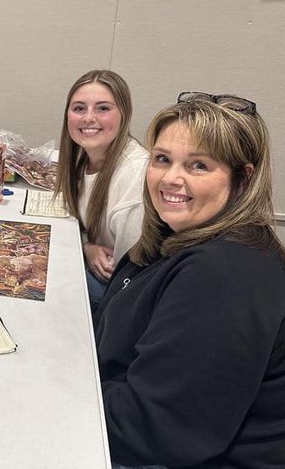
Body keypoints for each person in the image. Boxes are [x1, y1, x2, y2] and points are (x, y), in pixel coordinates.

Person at [95, 93, 285, 468]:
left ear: (243, 178)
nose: (170, 179)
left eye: (199, 165)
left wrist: (53, 392)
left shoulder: (226, 274)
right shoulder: (176, 235)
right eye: (162, 159)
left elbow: (153, 430)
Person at [54, 70, 149, 311]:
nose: (88, 118)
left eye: (103, 108)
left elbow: (135, 274)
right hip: (97, 271)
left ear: (124, 114)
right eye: (79, 108)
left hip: (119, 294)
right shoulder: (83, 159)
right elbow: (77, 222)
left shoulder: (135, 174)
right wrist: (87, 247)